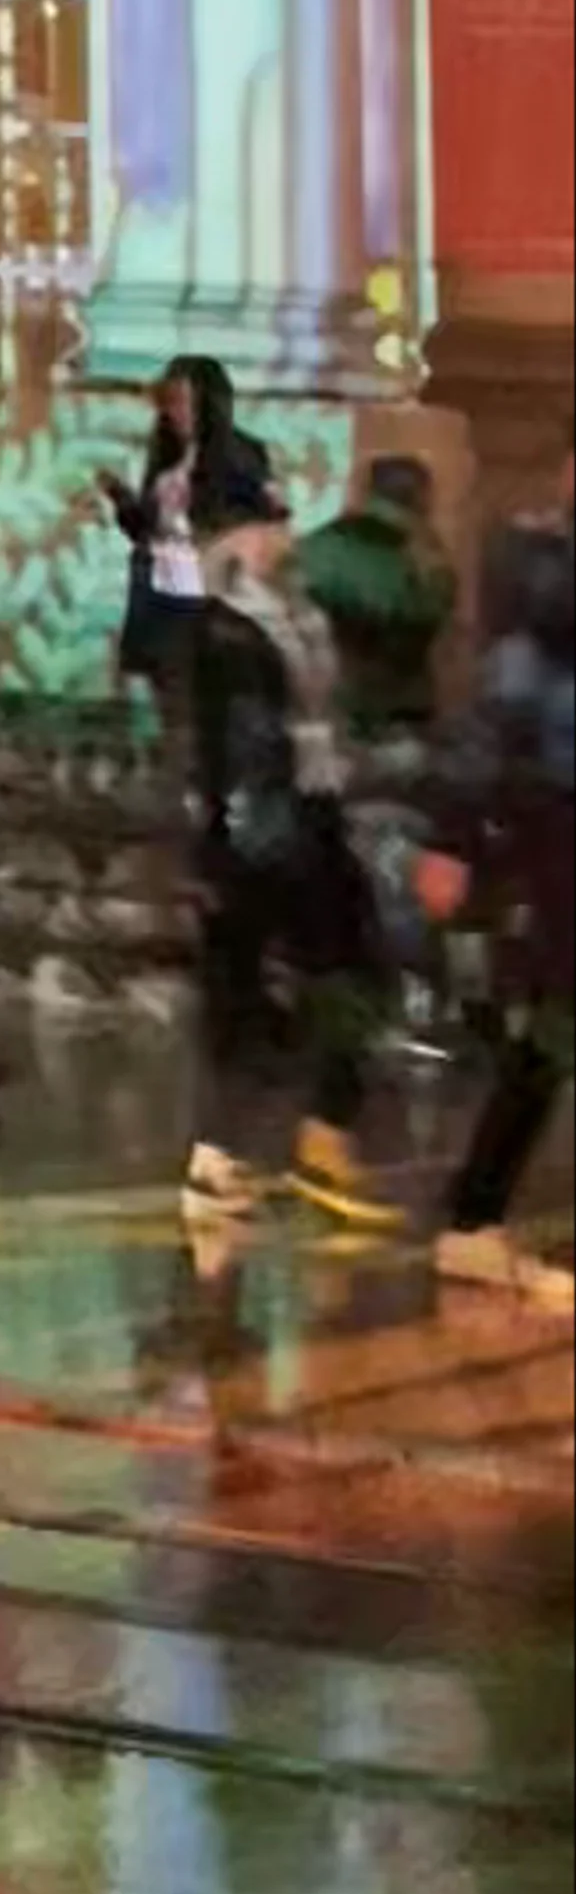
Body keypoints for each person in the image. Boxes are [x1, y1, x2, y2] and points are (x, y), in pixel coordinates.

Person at [183, 472, 395, 1234]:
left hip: (304, 814)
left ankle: (309, 1140)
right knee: (267, 995)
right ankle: (237, 1158)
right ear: (236, 536)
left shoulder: (292, 613)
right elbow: (232, 745)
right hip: (263, 830)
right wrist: (240, 839)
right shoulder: (225, 628)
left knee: (347, 975)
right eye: (270, 523)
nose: (284, 537)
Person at [415, 441, 575, 1303]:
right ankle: (473, 1217)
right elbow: (496, 715)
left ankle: (474, 1216)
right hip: (560, 820)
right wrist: (455, 837)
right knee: (557, 1022)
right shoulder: (546, 586)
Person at [102, 355, 269, 740]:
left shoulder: (240, 456)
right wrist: (122, 500)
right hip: (162, 590)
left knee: (208, 705)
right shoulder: (166, 457)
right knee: (170, 697)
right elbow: (147, 530)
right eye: (170, 403)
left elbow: (253, 523)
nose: (175, 413)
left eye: (183, 402)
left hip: (208, 594)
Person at [292, 451, 459, 747]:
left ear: (364, 490)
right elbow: (431, 616)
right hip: (396, 713)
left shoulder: (320, 543)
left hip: (324, 703)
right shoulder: (427, 557)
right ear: (423, 497)